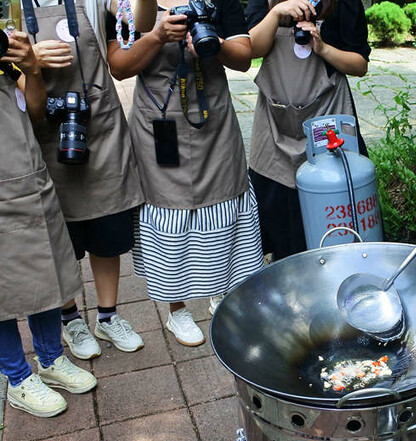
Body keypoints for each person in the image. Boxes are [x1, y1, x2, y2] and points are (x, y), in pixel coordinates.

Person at [106, 0, 264, 346]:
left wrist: (216, 45)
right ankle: (176, 308)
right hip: (158, 124)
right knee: (168, 211)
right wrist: (158, 36)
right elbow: (119, 67)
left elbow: (244, 58)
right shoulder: (129, 4)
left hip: (214, 119)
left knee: (224, 204)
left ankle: (221, 292)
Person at [26, 0, 150, 360]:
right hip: (45, 132)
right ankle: (70, 319)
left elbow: (136, 18)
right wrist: (28, 60)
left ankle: (108, 317)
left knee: (107, 231)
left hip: (100, 130)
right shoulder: (15, 7)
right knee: (59, 237)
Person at [1, 31, 96, 418]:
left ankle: (50, 358)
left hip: (26, 177)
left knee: (44, 271)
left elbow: (37, 110)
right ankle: (17, 378)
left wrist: (30, 66)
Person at [246, 0, 370, 260]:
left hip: (328, 118)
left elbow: (359, 65)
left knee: (336, 217)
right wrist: (277, 12)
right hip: (274, 126)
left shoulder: (343, 4)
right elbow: (250, 49)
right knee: (281, 227)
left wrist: (323, 48)